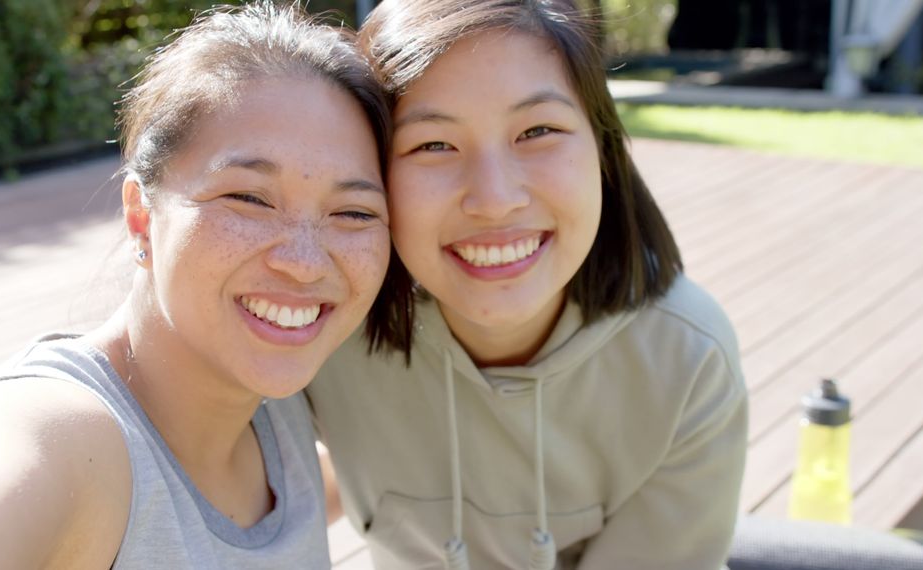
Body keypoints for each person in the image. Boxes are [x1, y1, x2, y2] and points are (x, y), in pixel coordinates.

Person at [0, 3, 392, 568]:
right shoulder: (65, 439)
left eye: (353, 213)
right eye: (249, 199)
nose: (304, 263)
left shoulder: (279, 420)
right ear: (140, 216)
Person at [306, 1, 749, 568]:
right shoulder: (324, 328)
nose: (494, 200)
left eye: (537, 130)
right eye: (433, 144)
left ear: (603, 150)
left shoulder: (685, 361)